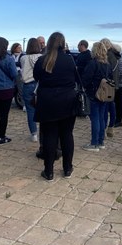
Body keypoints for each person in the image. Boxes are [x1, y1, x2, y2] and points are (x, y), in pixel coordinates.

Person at [33, 31, 77, 181]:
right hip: (67, 100)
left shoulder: (42, 60)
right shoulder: (69, 59)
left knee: (50, 135)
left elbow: (36, 77)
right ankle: (67, 168)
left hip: (48, 100)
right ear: (63, 43)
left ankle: (49, 171)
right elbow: (75, 78)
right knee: (66, 134)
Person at [81, 41, 110, 151]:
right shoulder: (107, 64)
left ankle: (94, 143)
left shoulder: (93, 63)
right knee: (102, 117)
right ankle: (101, 141)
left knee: (95, 118)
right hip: (104, 94)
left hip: (93, 94)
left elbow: (86, 79)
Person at [20, 37, 43, 142]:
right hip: (39, 85)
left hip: (27, 85)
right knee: (43, 109)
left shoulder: (23, 58)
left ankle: (34, 134)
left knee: (30, 110)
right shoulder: (40, 57)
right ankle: (43, 131)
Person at [101, 38, 122, 136]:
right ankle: (112, 126)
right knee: (113, 106)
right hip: (115, 84)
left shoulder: (109, 56)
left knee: (107, 107)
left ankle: (106, 128)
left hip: (109, 84)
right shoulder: (115, 55)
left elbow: (108, 70)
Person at [11, 42, 25, 110]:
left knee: (20, 89)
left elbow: (21, 64)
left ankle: (23, 104)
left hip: (19, 73)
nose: (20, 48)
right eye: (18, 47)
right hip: (11, 73)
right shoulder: (11, 55)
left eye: (20, 47)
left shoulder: (22, 55)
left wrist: (13, 64)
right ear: (14, 48)